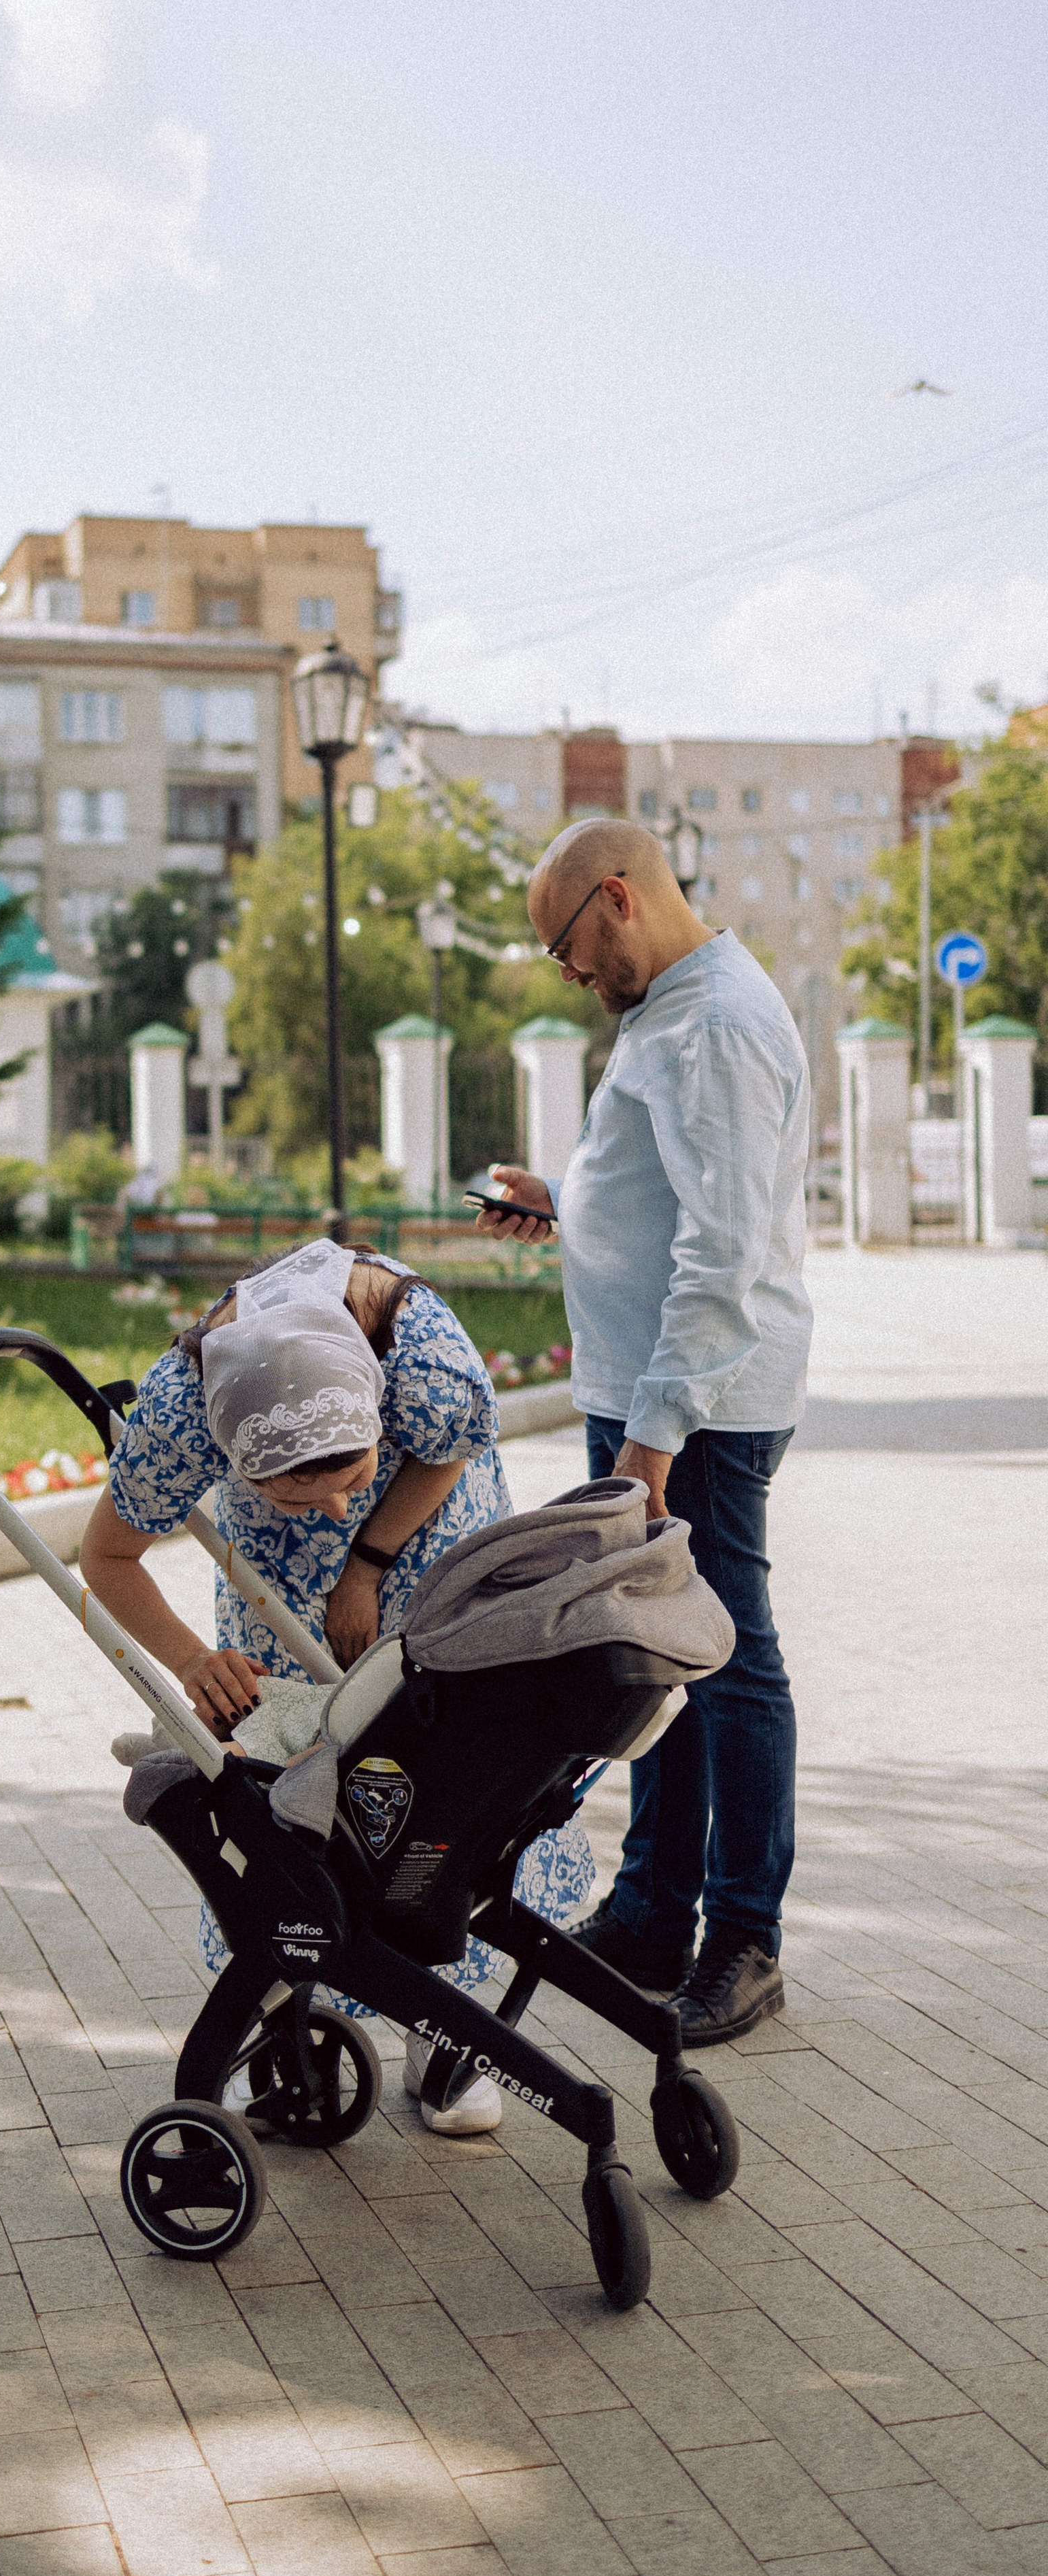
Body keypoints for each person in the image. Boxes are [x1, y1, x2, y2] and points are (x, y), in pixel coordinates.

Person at [80, 1237, 595, 2132]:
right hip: (276, 1592)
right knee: (295, 1809)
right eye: (294, 1493)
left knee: (441, 1787)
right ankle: (292, 2020)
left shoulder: (418, 1354)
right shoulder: (181, 1412)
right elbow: (107, 1556)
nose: (331, 1506)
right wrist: (194, 1661)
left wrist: (366, 1561)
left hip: (429, 1546)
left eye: (347, 1479)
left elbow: (453, 1446)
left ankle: (443, 2028)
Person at [476, 817, 810, 2045]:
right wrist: (568, 1203)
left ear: (616, 897)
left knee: (730, 1664)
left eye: (565, 946)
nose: (568, 973)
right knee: (655, 1660)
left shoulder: (714, 1024)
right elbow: (670, 1194)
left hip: (695, 1409)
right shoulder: (671, 1009)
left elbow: (724, 1257)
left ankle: (744, 1938)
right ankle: (656, 1913)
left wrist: (655, 1438)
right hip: (652, 1394)